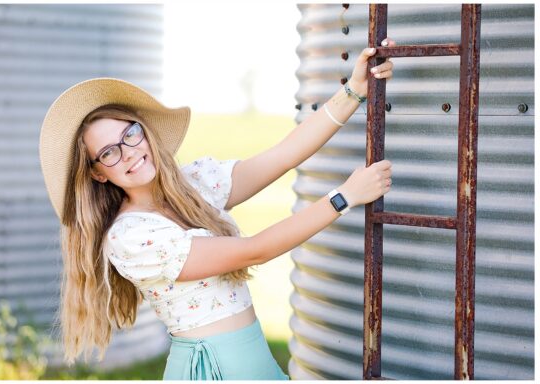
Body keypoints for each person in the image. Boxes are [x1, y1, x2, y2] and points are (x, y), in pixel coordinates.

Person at [39, 38, 395, 380]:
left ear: (144, 132)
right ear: (98, 173)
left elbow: (283, 156)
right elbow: (255, 251)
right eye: (108, 153)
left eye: (129, 134)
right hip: (211, 371)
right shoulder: (131, 237)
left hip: (254, 363)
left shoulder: (192, 185)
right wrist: (344, 197)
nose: (128, 151)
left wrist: (353, 91)